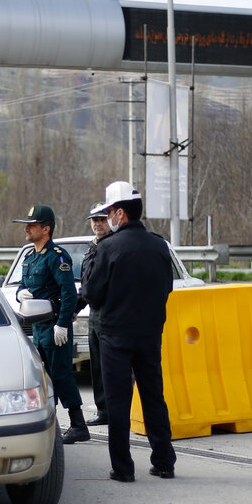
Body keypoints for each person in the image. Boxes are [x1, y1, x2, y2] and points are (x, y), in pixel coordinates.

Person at [80, 181, 176, 482]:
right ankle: (164, 461)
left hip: (115, 336)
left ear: (120, 213)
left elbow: (92, 294)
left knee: (118, 402)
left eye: (109, 212)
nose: (107, 217)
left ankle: (123, 468)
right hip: (149, 334)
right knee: (153, 398)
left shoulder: (107, 247)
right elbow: (167, 288)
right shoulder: (160, 245)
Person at [13, 204, 88, 443]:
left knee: (61, 374)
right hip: (37, 326)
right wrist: (20, 294)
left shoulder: (56, 256)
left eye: (32, 225)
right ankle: (50, 423)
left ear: (46, 229)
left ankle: (78, 425)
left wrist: (63, 324)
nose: (27, 228)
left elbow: (68, 292)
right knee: (44, 376)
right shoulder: (31, 256)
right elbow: (24, 286)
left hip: (54, 324)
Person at [75, 202, 112, 427]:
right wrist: (74, 309)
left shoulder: (111, 247)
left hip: (110, 314)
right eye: (94, 220)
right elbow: (86, 285)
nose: (97, 224)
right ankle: (103, 411)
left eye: (102, 219)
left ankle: (116, 410)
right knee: (97, 366)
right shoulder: (92, 247)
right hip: (94, 314)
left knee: (111, 366)